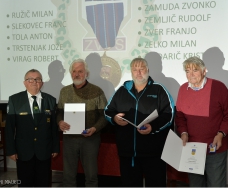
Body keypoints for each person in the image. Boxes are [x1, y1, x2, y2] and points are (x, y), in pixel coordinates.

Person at [104, 57, 174, 187]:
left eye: (141, 69)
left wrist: (152, 127)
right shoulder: (122, 90)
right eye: (135, 69)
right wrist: (114, 119)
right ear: (131, 71)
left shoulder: (159, 89)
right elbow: (108, 111)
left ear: (147, 70)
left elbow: (169, 115)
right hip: (128, 153)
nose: (138, 72)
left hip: (153, 153)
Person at [175, 56, 228, 187]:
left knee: (216, 185)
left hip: (214, 149)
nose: (191, 74)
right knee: (196, 185)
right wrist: (183, 132)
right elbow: (180, 117)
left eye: (195, 70)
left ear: (204, 71)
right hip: (192, 149)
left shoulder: (218, 87)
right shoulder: (182, 89)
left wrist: (221, 134)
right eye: (187, 71)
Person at [57, 59, 108, 187]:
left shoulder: (97, 91)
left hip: (90, 139)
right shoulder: (64, 91)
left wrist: (95, 129)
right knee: (68, 177)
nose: (77, 74)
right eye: (74, 71)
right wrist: (59, 122)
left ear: (86, 74)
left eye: (80, 71)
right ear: (70, 73)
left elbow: (105, 116)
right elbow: (58, 113)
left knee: (91, 177)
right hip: (69, 139)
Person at [5, 69, 59, 187]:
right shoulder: (14, 100)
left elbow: (53, 127)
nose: (34, 82)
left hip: (44, 150)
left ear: (42, 83)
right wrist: (11, 150)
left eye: (37, 79)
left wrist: (55, 147)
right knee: (25, 183)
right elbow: (9, 128)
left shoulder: (51, 100)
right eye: (30, 79)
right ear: (24, 82)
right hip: (23, 151)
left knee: (43, 183)